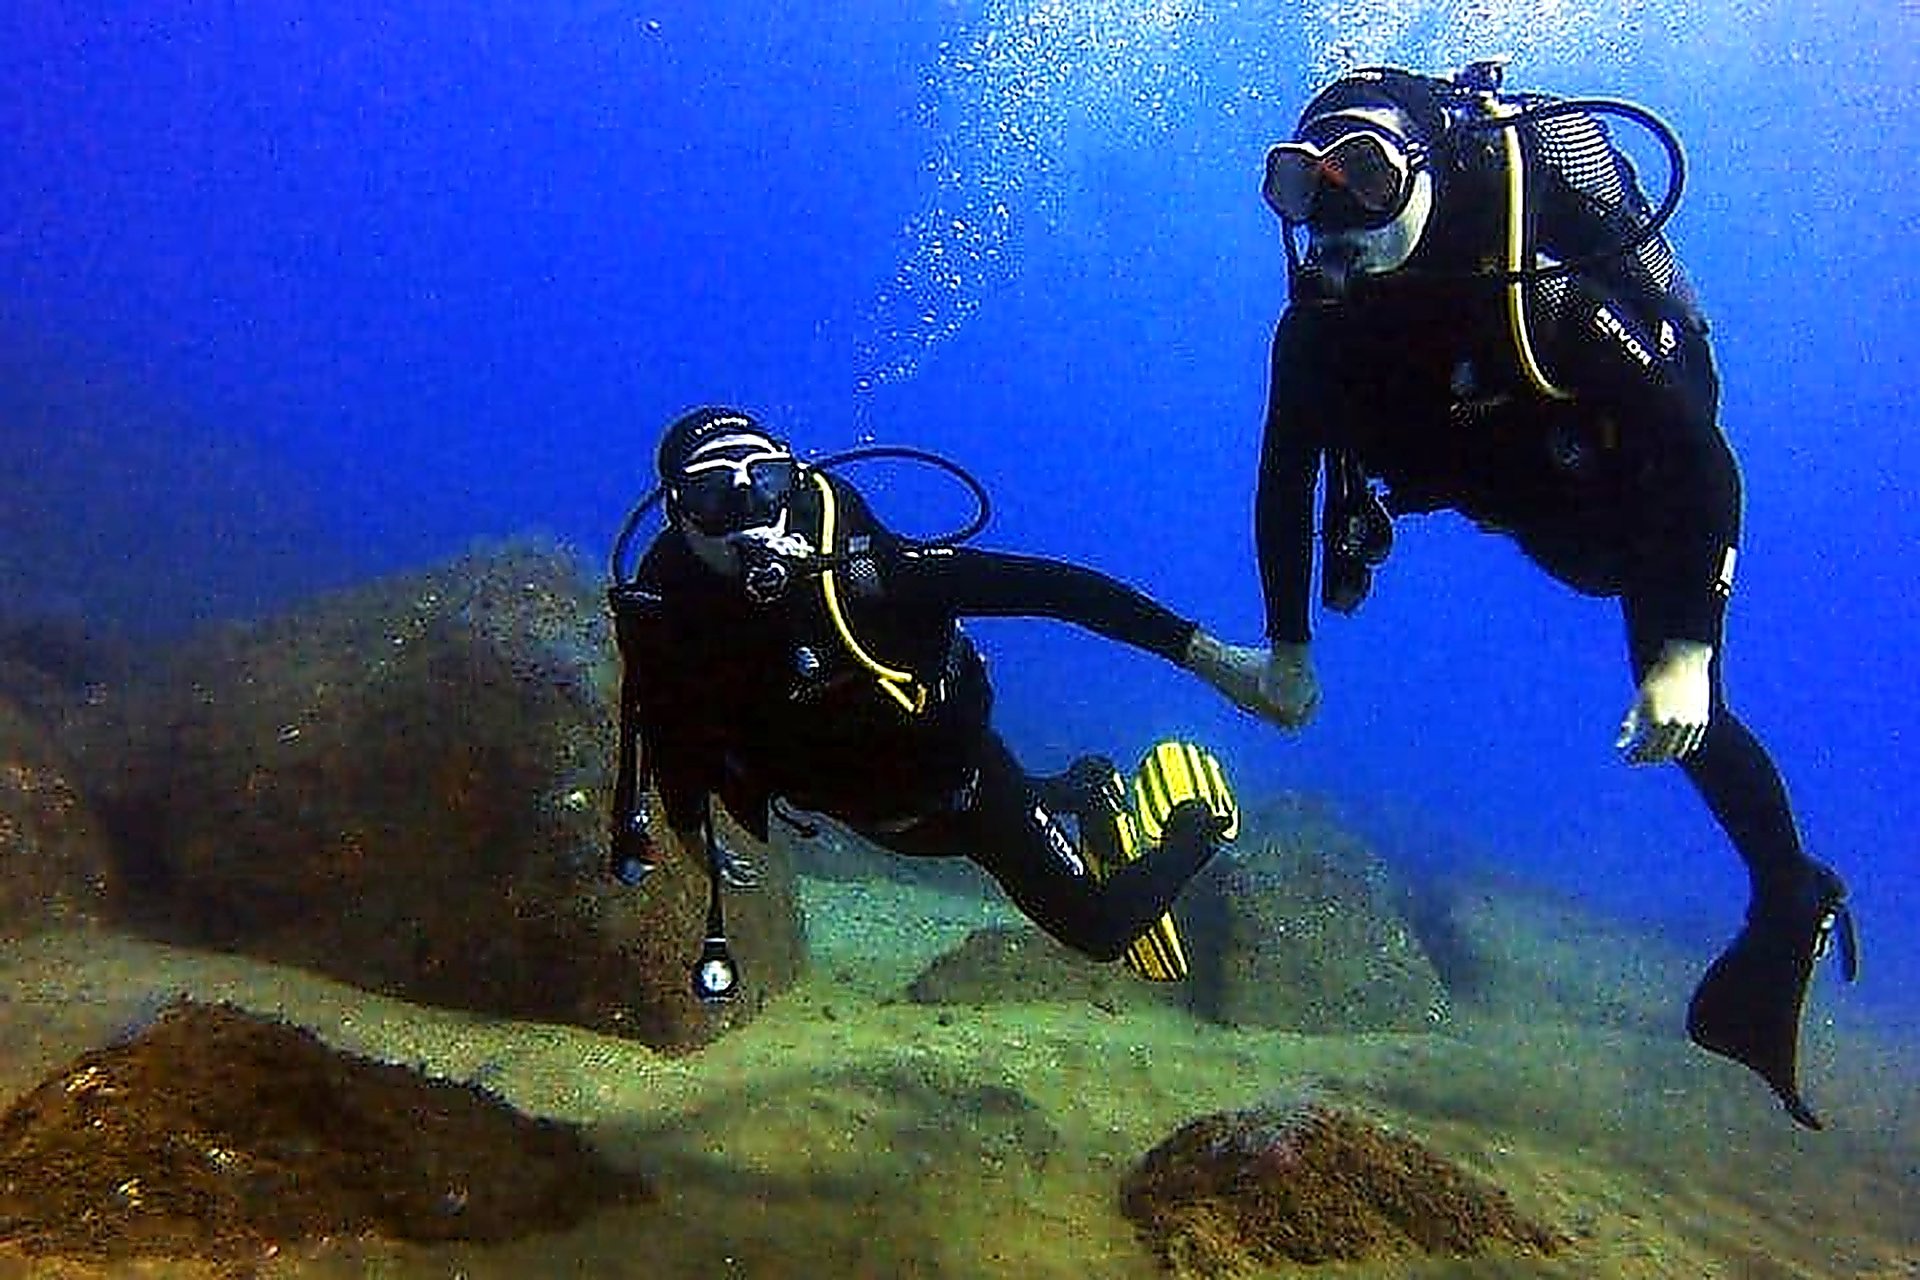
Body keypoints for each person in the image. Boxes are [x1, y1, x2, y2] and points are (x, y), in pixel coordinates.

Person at [1201, 63, 1859, 1127]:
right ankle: (1786, 883)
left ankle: (1793, 891)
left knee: (1684, 705)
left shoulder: (1541, 295)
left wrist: (1690, 647)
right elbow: (1281, 481)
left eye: (1363, 174)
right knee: (1664, 691)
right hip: (1519, 505)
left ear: (1419, 175)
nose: (1331, 212)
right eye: (1302, 182)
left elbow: (1704, 461)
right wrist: (1287, 646)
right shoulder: (1316, 332)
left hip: (1627, 506)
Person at [606, 405, 1247, 1002]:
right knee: (1001, 815)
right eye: (715, 495)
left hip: (967, 792)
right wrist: (691, 834)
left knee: (1101, 930)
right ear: (676, 510)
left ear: (792, 478)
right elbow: (667, 728)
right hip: (877, 820)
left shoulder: (870, 575)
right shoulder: (666, 614)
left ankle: (1198, 830)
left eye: (768, 483)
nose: (752, 513)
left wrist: (1212, 658)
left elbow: (1056, 589)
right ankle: (1084, 788)